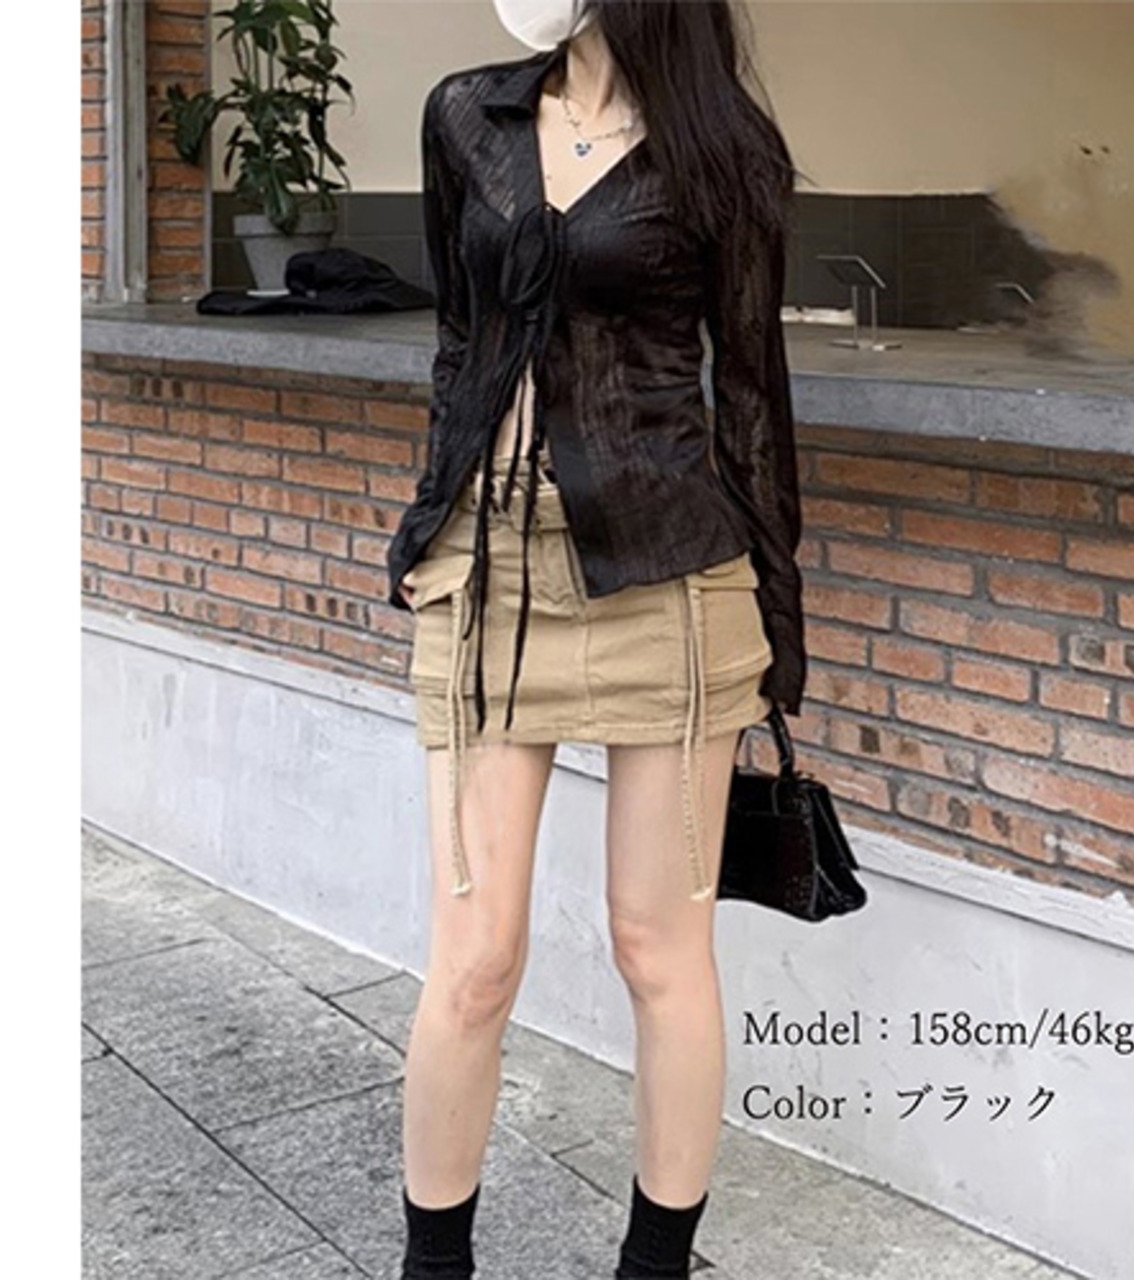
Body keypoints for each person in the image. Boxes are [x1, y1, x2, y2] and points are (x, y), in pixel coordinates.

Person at [386, 3, 807, 1276]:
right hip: (488, 571)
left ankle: (654, 1266)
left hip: (666, 577)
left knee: (656, 949)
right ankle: (433, 1264)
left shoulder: (724, 146)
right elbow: (460, 340)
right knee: (473, 957)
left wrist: (775, 622)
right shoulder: (469, 116)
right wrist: (431, 517)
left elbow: (751, 391)